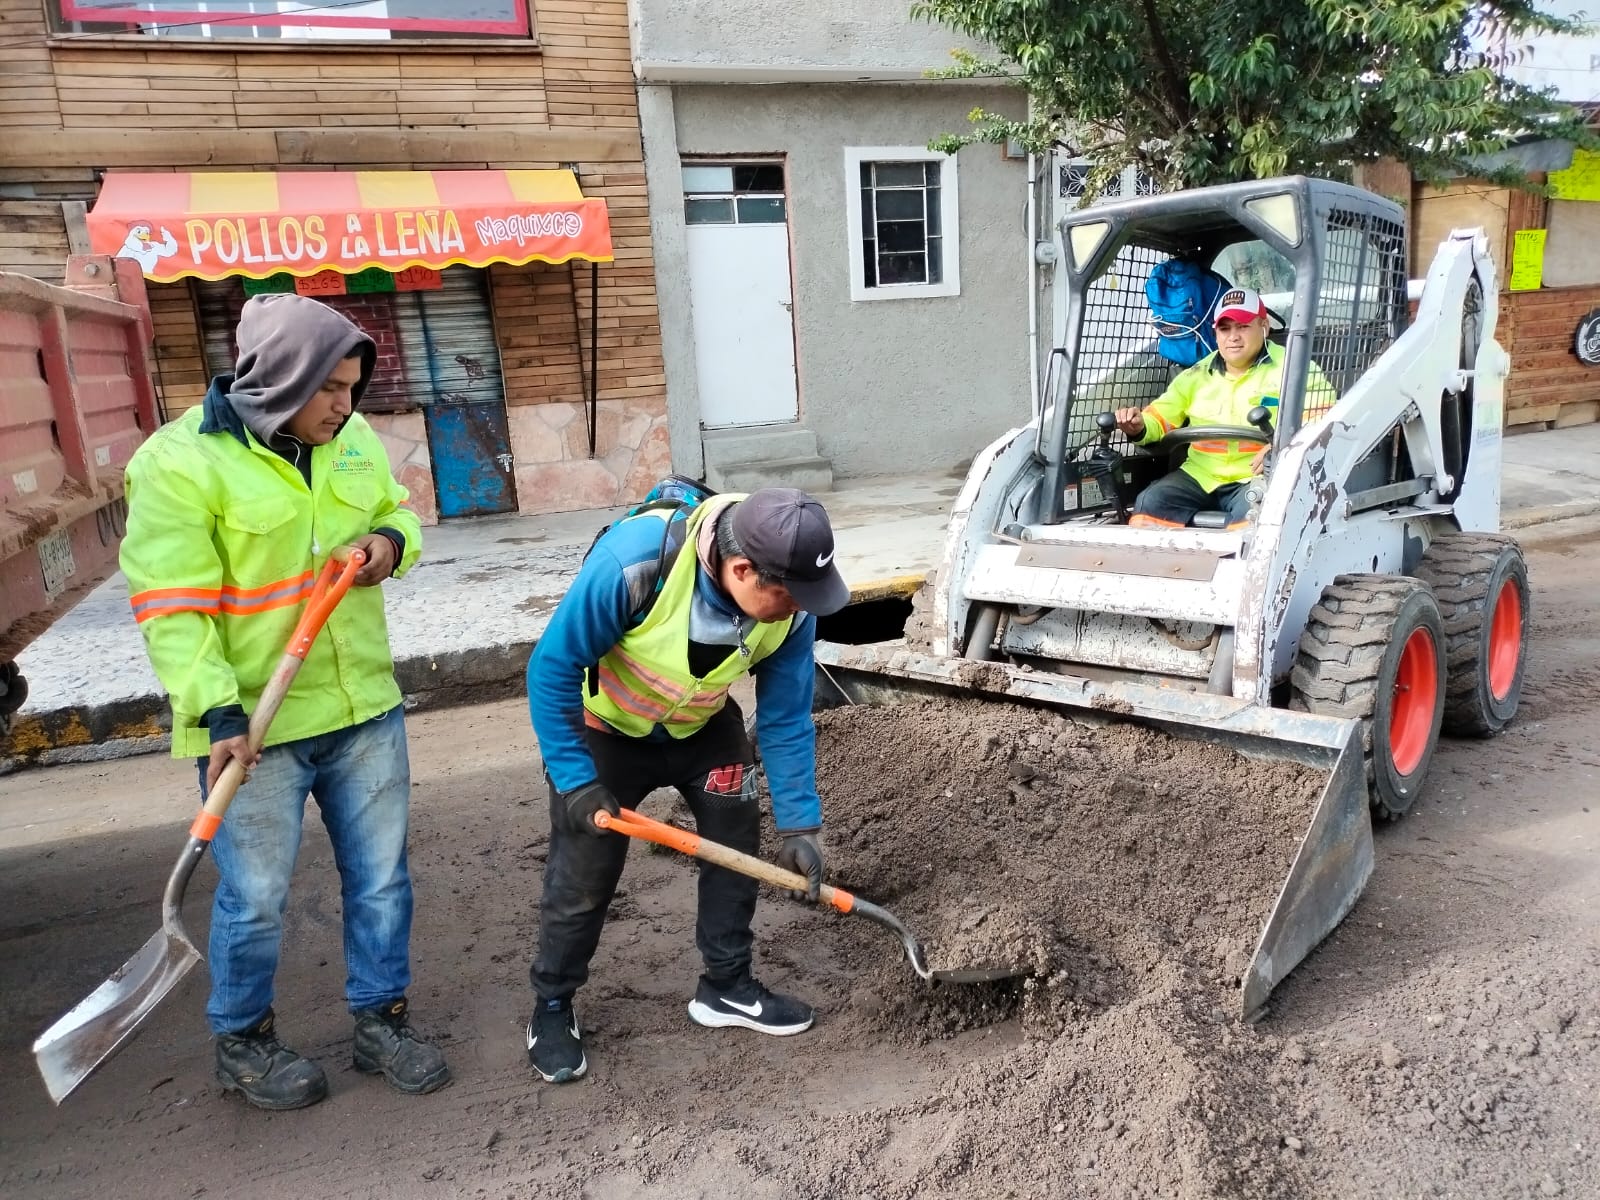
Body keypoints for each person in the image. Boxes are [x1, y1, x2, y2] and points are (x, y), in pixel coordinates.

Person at [120, 293, 448, 1110]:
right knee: (256, 895)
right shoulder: (178, 463)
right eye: (330, 389)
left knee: (379, 881)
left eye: (351, 387)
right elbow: (172, 608)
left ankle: (383, 1020)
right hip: (253, 732)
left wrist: (385, 547)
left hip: (363, 703)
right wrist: (218, 713)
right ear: (276, 381)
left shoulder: (352, 439)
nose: (347, 405)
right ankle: (243, 1041)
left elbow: (397, 516)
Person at [523, 487, 851, 1084]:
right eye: (790, 595)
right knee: (584, 873)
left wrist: (802, 824)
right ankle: (552, 1004)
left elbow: (784, 717)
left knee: (735, 845)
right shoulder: (634, 564)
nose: (800, 608)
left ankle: (725, 986)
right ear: (743, 570)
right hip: (607, 733)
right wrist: (574, 781)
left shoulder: (795, 607)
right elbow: (551, 667)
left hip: (701, 726)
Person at [1114, 286, 1336, 529]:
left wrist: (1283, 447)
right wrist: (1138, 425)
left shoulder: (1295, 367)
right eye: (1225, 328)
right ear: (1215, 332)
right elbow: (1160, 418)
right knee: (1150, 505)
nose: (1233, 337)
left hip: (1257, 476)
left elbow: (1321, 418)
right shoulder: (1196, 374)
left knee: (1255, 518)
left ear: (1264, 326)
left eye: (1242, 326)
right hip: (1201, 475)